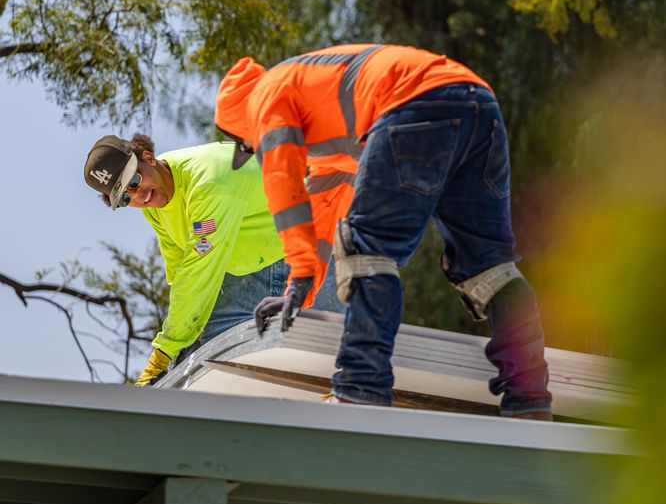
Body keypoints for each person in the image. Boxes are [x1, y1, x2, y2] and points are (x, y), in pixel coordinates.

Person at [213, 44, 553, 419]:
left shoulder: (263, 95)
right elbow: (322, 217)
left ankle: (361, 390)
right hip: (478, 104)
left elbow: (282, 183)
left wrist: (301, 271)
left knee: (365, 253)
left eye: (245, 143)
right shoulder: (320, 124)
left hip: (414, 103)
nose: (250, 147)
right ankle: (529, 399)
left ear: (239, 125)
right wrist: (301, 285)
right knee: (489, 268)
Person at [83, 133, 340, 386]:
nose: (138, 195)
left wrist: (165, 350)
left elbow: (199, 269)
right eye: (126, 197)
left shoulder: (208, 182)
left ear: (148, 158)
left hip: (310, 252)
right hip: (251, 272)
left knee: (342, 346)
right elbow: (179, 268)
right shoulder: (156, 202)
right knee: (207, 364)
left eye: (134, 181)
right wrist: (186, 332)